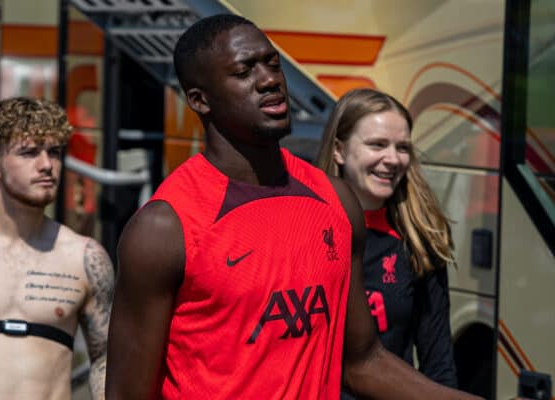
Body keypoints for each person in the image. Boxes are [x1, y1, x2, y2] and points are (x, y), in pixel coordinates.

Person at [105, 14, 481, 399]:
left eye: (271, 63)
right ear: (200, 101)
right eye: (244, 71)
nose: (269, 80)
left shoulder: (336, 200)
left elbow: (364, 362)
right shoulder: (164, 228)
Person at [0, 97, 114, 400]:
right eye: (29, 153)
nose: (47, 165)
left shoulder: (84, 257)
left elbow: (106, 361)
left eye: (54, 152)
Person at [315, 88, 458, 391]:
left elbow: (438, 360)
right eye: (377, 144)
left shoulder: (420, 239)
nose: (392, 159)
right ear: (339, 149)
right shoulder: (305, 230)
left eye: (402, 147)